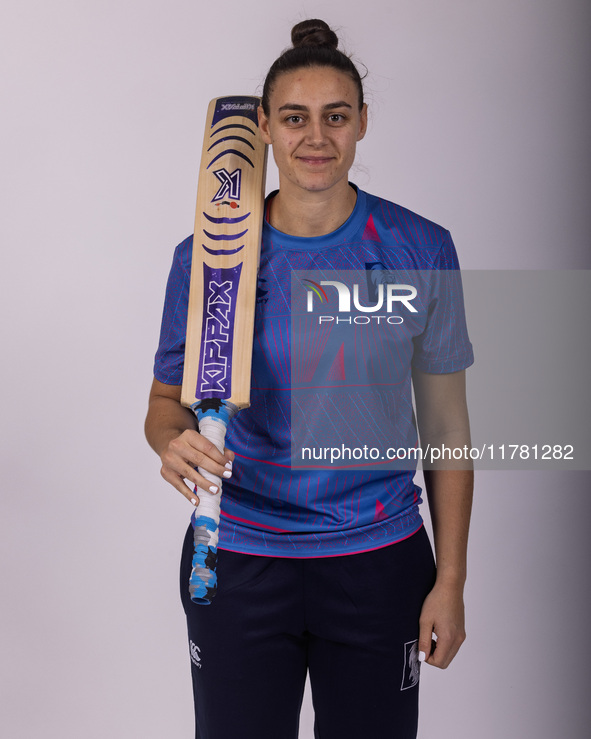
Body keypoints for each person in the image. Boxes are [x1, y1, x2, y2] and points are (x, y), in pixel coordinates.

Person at [145, 18, 473, 739]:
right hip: (237, 558)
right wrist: (171, 442)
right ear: (262, 126)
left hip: (376, 561)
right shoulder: (208, 257)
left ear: (361, 125)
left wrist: (448, 580)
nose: (314, 136)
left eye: (335, 116)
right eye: (294, 117)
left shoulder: (420, 248)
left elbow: (447, 428)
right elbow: (164, 407)